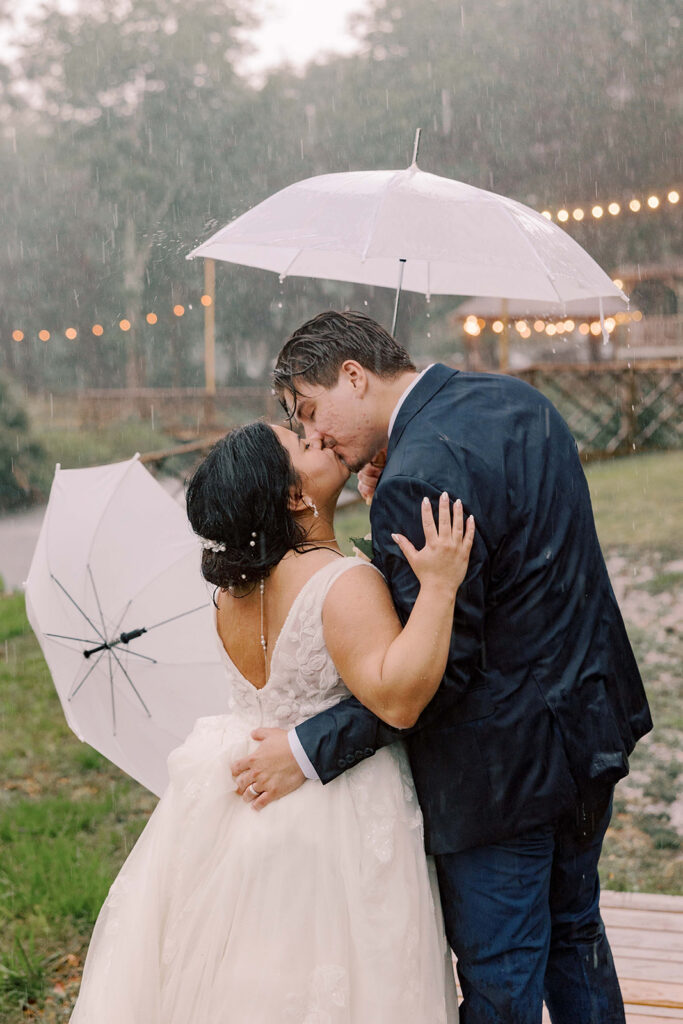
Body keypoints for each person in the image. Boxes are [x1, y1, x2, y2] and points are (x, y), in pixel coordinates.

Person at [230, 310, 653, 1024]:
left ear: (354, 375)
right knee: (575, 936)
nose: (317, 434)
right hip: (589, 729)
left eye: (309, 408)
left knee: (499, 979)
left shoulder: (417, 474)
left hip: (497, 775)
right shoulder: (518, 401)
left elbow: (430, 675)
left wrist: (306, 750)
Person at [68, 419, 475, 1024]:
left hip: (242, 799)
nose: (321, 439)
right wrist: (440, 590)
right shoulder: (343, 583)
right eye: (303, 445)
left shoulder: (232, 594)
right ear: (293, 497)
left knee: (253, 975)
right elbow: (400, 698)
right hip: (336, 811)